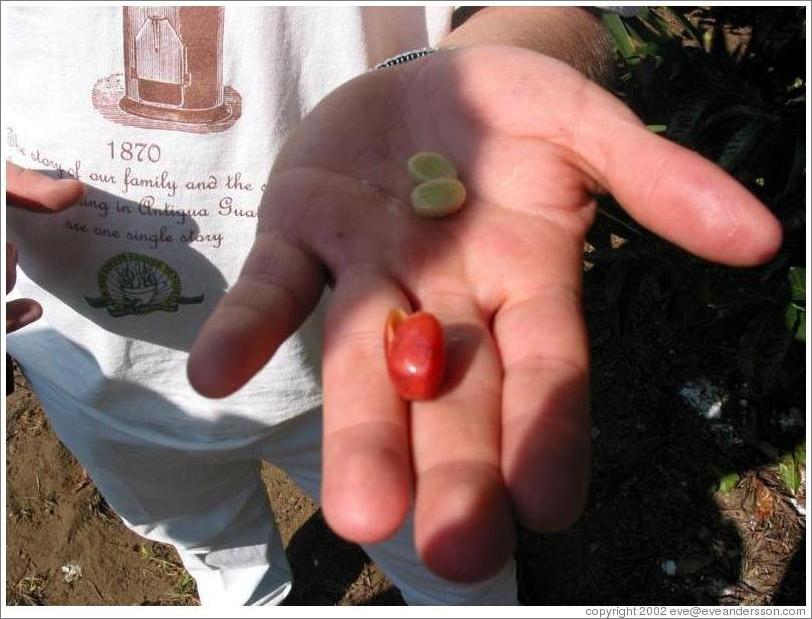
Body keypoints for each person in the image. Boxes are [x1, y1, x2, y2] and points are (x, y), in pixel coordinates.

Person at [4, 5, 782, 606]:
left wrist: (489, 62)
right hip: (97, 373)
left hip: (337, 363)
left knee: (450, 550)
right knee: (210, 545)